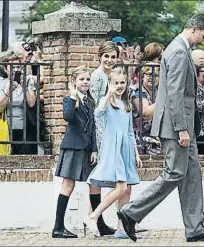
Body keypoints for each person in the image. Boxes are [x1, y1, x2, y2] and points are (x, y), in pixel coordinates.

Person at [117, 13, 204, 243]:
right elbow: (174, 94)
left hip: (184, 125)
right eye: (203, 36)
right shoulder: (177, 51)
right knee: (174, 173)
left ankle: (195, 228)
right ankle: (131, 212)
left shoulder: (179, 49)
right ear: (195, 29)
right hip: (177, 127)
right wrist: (181, 129)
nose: (203, 41)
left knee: (192, 176)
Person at [84, 68, 142, 238]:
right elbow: (98, 113)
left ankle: (121, 228)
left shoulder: (127, 104)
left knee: (127, 189)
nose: (119, 86)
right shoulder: (107, 102)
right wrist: (108, 94)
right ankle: (93, 216)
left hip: (126, 149)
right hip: (113, 147)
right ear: (110, 83)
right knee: (121, 186)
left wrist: (136, 153)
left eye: (122, 82)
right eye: (115, 83)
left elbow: (130, 131)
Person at [52, 66, 98, 238]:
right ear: (74, 82)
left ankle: (97, 223)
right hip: (72, 147)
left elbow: (93, 127)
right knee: (68, 185)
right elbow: (68, 117)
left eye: (87, 79)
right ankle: (58, 227)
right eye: (81, 79)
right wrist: (72, 96)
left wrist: (94, 149)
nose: (85, 82)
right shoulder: (69, 99)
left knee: (95, 183)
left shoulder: (90, 101)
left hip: (87, 149)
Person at [87, 41, 119, 236]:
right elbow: (96, 108)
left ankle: (96, 219)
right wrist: (99, 139)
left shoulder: (111, 76)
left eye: (113, 57)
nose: (109, 60)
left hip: (109, 127)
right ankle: (97, 221)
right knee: (96, 178)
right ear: (100, 56)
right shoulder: (98, 77)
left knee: (99, 177)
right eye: (106, 56)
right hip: (99, 131)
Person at [131, 64, 161, 155]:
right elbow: (146, 114)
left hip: (155, 138)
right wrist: (163, 99)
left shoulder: (158, 91)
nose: (152, 78)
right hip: (139, 139)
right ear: (142, 76)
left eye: (155, 75)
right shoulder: (136, 91)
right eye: (149, 74)